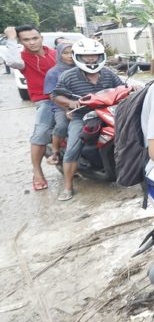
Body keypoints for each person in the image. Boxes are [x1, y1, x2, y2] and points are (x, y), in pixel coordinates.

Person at [52, 38, 123, 201]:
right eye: (87, 56)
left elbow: (121, 88)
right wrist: (70, 103)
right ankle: (68, 186)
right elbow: (55, 95)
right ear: (79, 57)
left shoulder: (108, 73)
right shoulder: (68, 76)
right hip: (81, 116)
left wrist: (133, 88)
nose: (91, 59)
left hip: (107, 112)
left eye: (95, 56)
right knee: (73, 148)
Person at [3, 25, 58, 190]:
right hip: (46, 100)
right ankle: (37, 171)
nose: (32, 42)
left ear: (41, 37)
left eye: (35, 38)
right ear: (21, 42)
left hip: (68, 97)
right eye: (26, 40)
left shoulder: (55, 54)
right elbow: (11, 61)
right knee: (41, 132)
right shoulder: (22, 59)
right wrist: (11, 38)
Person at [43, 42, 75, 165]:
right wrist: (66, 109)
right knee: (62, 125)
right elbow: (52, 95)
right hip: (60, 107)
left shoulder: (84, 68)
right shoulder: (53, 73)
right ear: (59, 55)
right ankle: (55, 151)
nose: (69, 56)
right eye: (65, 53)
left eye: (72, 53)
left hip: (82, 103)